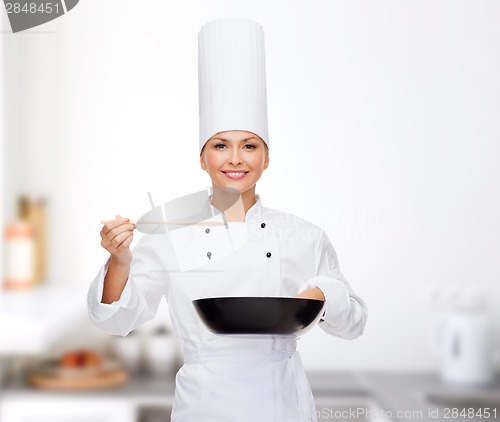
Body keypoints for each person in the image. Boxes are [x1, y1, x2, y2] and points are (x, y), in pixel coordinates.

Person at [88, 18, 367, 422]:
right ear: (203, 158)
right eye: (221, 145)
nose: (235, 159)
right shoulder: (170, 236)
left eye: (249, 146)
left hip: (282, 405)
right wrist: (120, 261)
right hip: (204, 406)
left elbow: (354, 323)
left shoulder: (304, 236)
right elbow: (115, 320)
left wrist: (323, 295)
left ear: (266, 158)